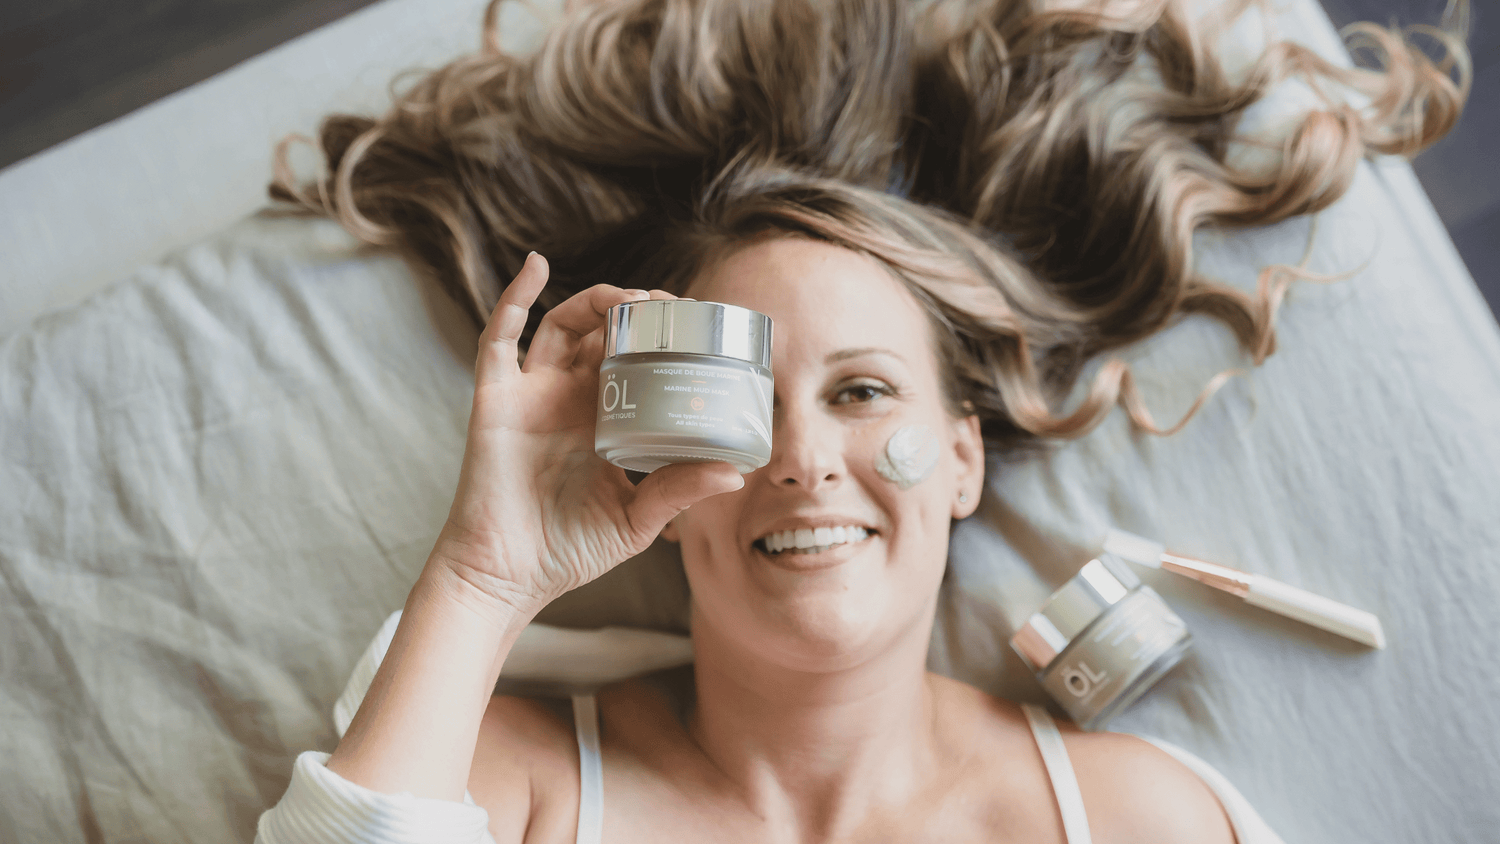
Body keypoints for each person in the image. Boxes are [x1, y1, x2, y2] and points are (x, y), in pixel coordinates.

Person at [257, 0, 1468, 840]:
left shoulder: (1128, 817)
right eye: (745, 409)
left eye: (861, 391)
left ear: (958, 458)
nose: (802, 459)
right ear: (664, 490)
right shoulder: (509, 783)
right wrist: (485, 573)